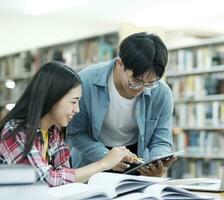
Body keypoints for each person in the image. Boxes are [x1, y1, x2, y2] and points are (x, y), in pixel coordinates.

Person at [0, 62, 136, 187]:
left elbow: (63, 176)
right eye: (73, 102)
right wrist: (103, 163)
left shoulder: (54, 133)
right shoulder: (15, 131)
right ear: (52, 97)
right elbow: (43, 180)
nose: (77, 109)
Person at [68, 32, 176, 177]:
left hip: (135, 161)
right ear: (120, 64)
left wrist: (157, 162)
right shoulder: (86, 81)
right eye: (136, 82)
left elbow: (161, 140)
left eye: (150, 83)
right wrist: (106, 157)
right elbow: (76, 134)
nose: (142, 89)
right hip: (92, 161)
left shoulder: (162, 93)